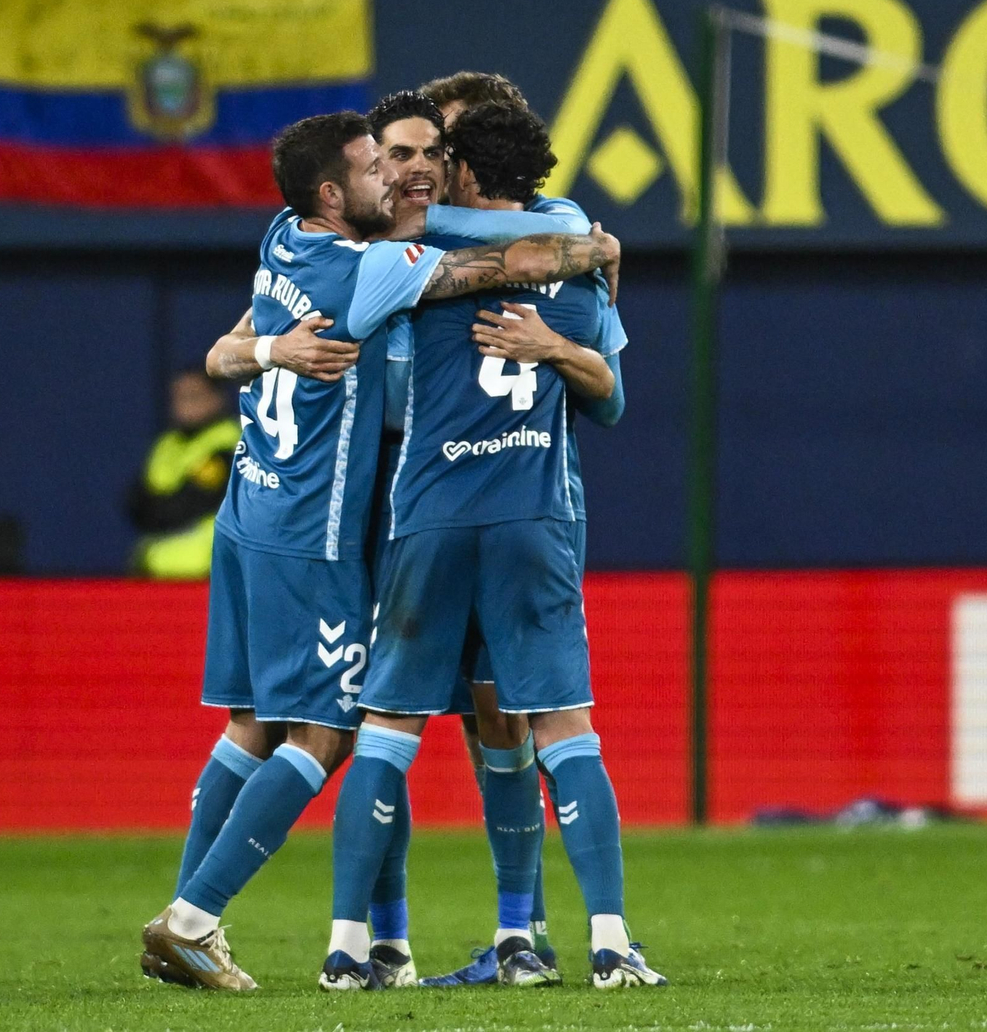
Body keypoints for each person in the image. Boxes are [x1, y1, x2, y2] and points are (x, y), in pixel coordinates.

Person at [140, 110, 621, 991]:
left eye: (422, 159)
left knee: (254, 722)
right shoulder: (376, 268)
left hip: (252, 510)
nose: (399, 178)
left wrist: (264, 346)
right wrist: (583, 245)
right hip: (320, 533)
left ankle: (282, 929)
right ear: (336, 191)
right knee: (333, 731)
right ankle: (199, 917)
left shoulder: (284, 236)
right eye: (379, 165)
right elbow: (503, 263)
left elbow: (217, 354)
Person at [325, 101, 665, 991]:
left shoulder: (416, 260)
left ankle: (353, 945)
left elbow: (369, 316)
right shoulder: (575, 257)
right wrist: (563, 323)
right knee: (561, 726)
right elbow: (613, 401)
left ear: (466, 170)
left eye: (440, 156)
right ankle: (609, 939)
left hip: (429, 516)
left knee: (388, 730)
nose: (425, 172)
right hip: (531, 514)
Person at [125, 370, 240, 579]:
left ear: (217, 399)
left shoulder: (228, 442)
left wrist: (156, 509)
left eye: (194, 396)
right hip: (154, 571)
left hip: (204, 572)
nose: (185, 405)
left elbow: (191, 503)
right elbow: (134, 503)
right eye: (178, 397)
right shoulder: (167, 444)